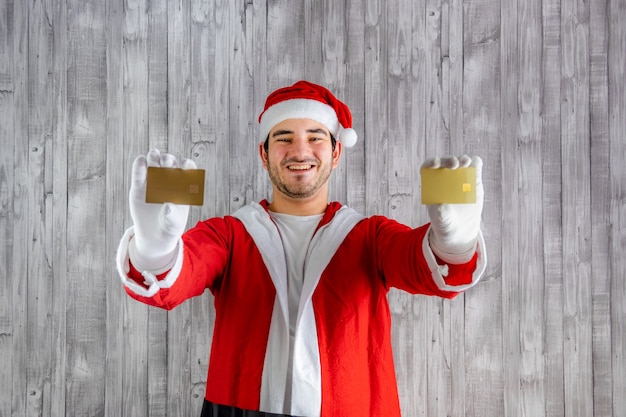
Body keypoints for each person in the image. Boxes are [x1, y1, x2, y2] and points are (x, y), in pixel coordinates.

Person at [115, 80, 486, 417]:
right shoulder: (230, 234)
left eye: (315, 136)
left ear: (336, 152)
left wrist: (454, 243)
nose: (300, 149)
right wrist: (155, 247)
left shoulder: (369, 237)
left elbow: (422, 263)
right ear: (264, 154)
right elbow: (182, 273)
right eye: (283, 137)